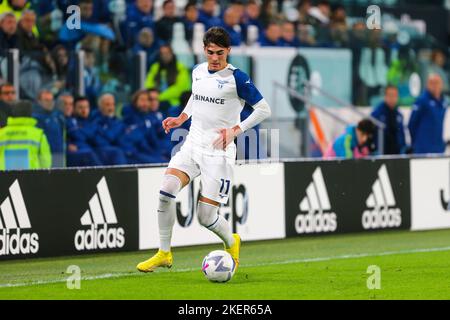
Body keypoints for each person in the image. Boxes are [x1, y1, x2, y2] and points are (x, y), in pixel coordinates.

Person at [136, 27, 271, 273]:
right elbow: (196, 97)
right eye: (211, 52)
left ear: (228, 51)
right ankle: (164, 253)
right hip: (192, 145)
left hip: (219, 153)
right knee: (166, 191)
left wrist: (235, 131)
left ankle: (232, 241)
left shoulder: (238, 78)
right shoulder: (198, 71)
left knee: (205, 217)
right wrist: (181, 117)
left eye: (221, 53)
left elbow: (264, 109)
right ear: (204, 50)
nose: (216, 58)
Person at [0, 100, 51, 170]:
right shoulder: (38, 135)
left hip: (4, 178)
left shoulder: (1, 133)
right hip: (31, 178)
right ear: (30, 113)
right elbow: (45, 162)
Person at [408, 73, 447, 154]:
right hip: (423, 149)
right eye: (432, 83)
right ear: (427, 85)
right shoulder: (421, 101)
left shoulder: (443, 102)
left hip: (438, 148)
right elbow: (412, 124)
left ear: (441, 85)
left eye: (437, 83)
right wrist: (417, 143)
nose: (434, 86)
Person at [32, 89, 65, 167]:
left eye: (51, 100)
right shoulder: (35, 118)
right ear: (39, 101)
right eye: (46, 100)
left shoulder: (57, 116)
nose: (50, 103)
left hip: (59, 155)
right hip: (44, 157)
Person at [371, 85, 406, 155]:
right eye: (390, 95)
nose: (392, 98)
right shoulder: (377, 113)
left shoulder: (399, 115)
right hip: (381, 154)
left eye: (394, 95)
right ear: (385, 96)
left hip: (397, 155)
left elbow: (401, 135)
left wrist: (403, 148)